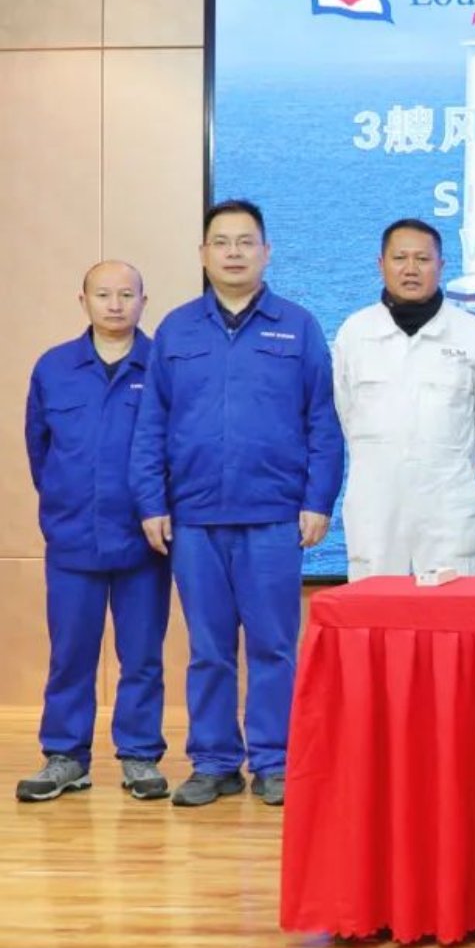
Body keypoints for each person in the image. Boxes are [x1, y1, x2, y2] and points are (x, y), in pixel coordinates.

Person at [130, 199, 343, 808]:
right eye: (221, 242)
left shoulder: (298, 326)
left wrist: (318, 500)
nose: (233, 253)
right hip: (194, 518)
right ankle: (214, 761)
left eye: (245, 242)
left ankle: (274, 760)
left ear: (265, 253)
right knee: (209, 650)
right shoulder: (176, 330)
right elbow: (151, 424)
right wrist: (151, 502)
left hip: (273, 516)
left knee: (274, 646)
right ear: (203, 254)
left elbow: (323, 422)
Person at [17, 262, 172, 803]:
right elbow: (39, 450)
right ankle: (65, 756)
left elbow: (174, 448)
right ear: (82, 300)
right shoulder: (54, 367)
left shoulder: (162, 365)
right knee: (70, 654)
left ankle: (139, 755)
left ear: (144, 301)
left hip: (143, 543)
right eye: (103, 294)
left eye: (126, 294)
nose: (115, 304)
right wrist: (65, 501)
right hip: (73, 539)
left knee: (142, 656)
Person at [333, 218, 475, 579]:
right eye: (400, 258)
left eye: (423, 259)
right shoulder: (355, 332)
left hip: (450, 506)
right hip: (375, 505)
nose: (411, 269)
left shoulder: (473, 333)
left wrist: (450, 462)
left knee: (455, 607)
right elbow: (346, 413)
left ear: (441, 266)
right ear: (381, 264)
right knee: (375, 605)